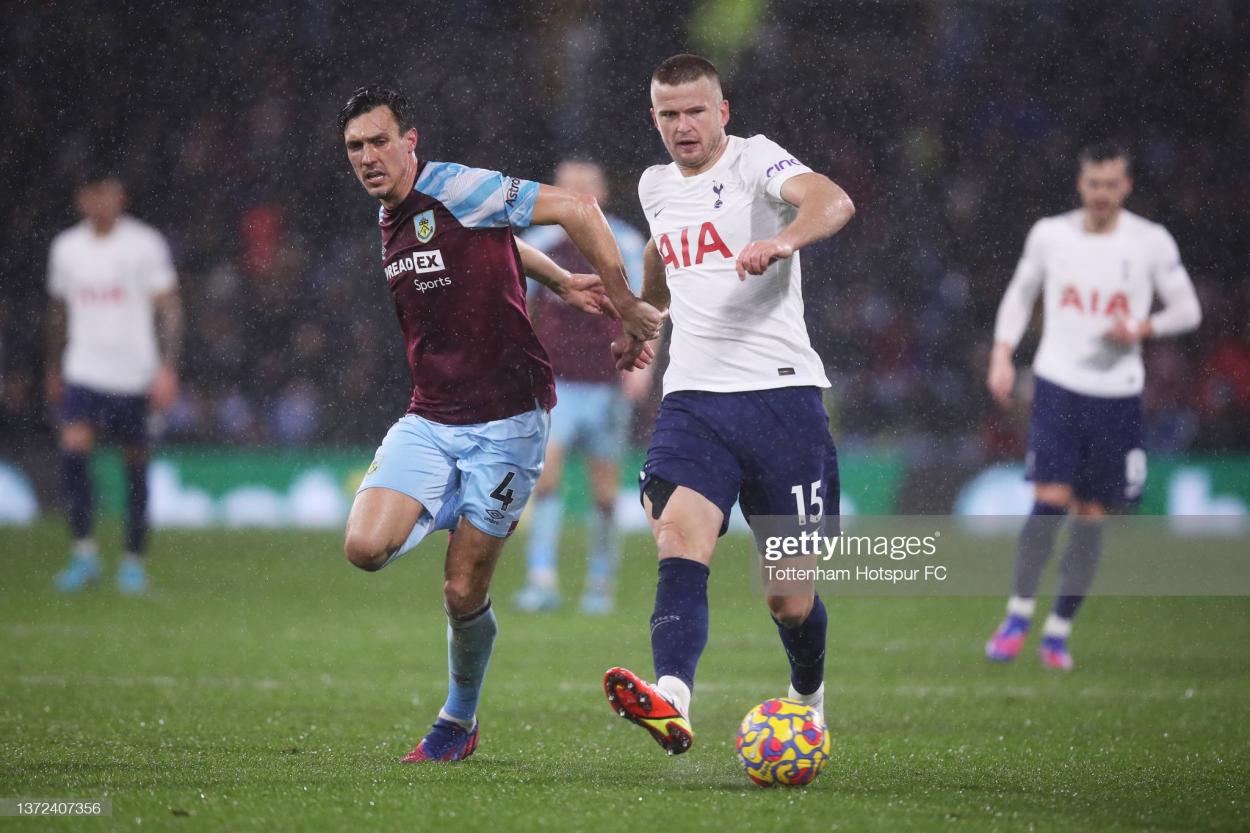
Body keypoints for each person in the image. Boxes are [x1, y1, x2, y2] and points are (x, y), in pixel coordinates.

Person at [337, 84, 662, 763]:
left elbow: (576, 209)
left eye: (378, 140)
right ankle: (454, 505)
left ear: (409, 140)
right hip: (430, 415)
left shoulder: (455, 185)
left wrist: (627, 304)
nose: (369, 156)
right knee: (363, 546)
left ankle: (458, 720)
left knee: (462, 589)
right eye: (355, 147)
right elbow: (494, 246)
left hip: (510, 422)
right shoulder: (389, 215)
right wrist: (560, 281)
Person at [598, 55, 856, 755]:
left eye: (695, 111)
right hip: (694, 399)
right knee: (679, 537)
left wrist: (782, 240)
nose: (683, 126)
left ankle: (807, 697)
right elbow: (662, 259)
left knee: (788, 599)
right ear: (654, 118)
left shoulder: (755, 162)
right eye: (669, 114)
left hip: (782, 398)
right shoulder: (655, 185)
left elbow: (833, 200)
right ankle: (673, 697)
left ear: (723, 112)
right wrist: (641, 320)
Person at [984, 142, 1201, 671]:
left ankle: (1057, 631)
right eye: (1093, 184)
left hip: (1118, 395)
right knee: (1049, 499)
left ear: (1125, 187)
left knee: (1090, 514)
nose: (1101, 194)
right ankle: (1017, 615)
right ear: (1081, 185)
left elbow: (1188, 309)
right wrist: (1002, 353)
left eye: (1111, 185)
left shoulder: (1150, 242)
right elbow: (1021, 292)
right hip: (1059, 384)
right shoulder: (1050, 235)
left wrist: (1143, 327)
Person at [513, 160, 651, 616]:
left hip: (608, 382)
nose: (578, 193)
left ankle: (600, 584)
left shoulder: (626, 243)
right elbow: (518, 310)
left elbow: (651, 307)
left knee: (605, 489)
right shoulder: (539, 243)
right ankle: (542, 578)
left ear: (603, 192)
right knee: (546, 478)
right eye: (569, 186)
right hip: (556, 383)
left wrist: (643, 369)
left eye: (587, 185)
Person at [45, 173, 183, 596]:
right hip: (83, 370)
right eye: (92, 194)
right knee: (73, 453)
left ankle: (132, 562)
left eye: (108, 193)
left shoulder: (144, 244)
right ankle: (84, 553)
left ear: (119, 197)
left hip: (133, 373)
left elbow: (170, 308)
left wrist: (167, 367)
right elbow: (58, 312)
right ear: (81, 199)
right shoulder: (66, 248)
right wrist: (53, 365)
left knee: (135, 464)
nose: (101, 202)